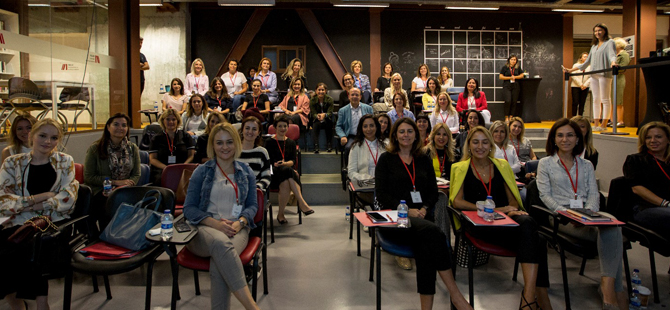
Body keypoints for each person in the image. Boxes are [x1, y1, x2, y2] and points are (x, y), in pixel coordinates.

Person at [450, 126, 553, 310]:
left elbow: (513, 201)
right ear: (469, 145)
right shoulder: (460, 168)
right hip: (478, 224)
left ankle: (528, 295)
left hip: (504, 222)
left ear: (491, 145)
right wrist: (496, 209)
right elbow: (457, 202)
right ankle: (538, 298)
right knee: (538, 239)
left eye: (484, 142)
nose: (480, 146)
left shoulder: (502, 166)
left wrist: (506, 211)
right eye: (475, 142)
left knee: (530, 226)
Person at [375, 118, 472, 310]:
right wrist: (406, 209)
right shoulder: (386, 160)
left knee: (426, 249)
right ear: (395, 135)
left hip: (422, 220)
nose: (406, 135)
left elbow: (432, 192)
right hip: (396, 220)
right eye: (401, 131)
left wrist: (425, 208)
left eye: (410, 131)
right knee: (435, 233)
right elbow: (382, 194)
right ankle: (457, 297)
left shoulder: (423, 159)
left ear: (416, 135)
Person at [536, 118, 625, 310]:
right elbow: (545, 196)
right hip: (560, 216)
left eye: (570, 135)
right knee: (612, 231)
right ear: (553, 139)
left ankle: (608, 288)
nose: (565, 139)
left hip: (587, 215)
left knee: (612, 226)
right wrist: (570, 214)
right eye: (560, 135)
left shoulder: (586, 165)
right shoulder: (545, 163)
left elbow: (594, 194)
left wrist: (587, 215)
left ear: (578, 139)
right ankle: (614, 292)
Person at [0, 118, 79, 310]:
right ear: (32, 135)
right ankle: (17, 304)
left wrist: (25, 206)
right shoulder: (12, 163)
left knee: (30, 246)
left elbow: (67, 200)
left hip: (52, 223)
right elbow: (3, 200)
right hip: (15, 221)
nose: (47, 141)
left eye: (53, 138)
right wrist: (40, 198)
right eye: (43, 136)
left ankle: (41, 304)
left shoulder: (64, 161)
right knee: (5, 246)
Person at [182, 123, 261, 310]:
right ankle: (252, 307)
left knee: (221, 261)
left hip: (236, 228)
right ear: (212, 145)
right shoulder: (202, 171)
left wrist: (241, 222)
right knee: (221, 245)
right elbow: (189, 209)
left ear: (236, 144)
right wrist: (215, 224)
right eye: (219, 143)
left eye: (229, 142)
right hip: (204, 228)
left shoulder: (246, 172)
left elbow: (252, 206)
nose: (224, 147)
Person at [84, 113, 141, 227]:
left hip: (126, 189)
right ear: (108, 127)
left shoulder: (132, 148)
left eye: (124, 125)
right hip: (102, 191)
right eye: (116, 124)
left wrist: (126, 184)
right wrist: (114, 182)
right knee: (108, 203)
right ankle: (105, 238)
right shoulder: (95, 148)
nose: (120, 128)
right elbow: (89, 177)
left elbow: (136, 174)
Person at [565, 23, 617, 132]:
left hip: (604, 74)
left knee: (605, 99)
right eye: (595, 31)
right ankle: (596, 123)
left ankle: (604, 124)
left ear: (605, 31)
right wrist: (571, 70)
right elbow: (586, 63)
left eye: (600, 30)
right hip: (594, 75)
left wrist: (613, 63)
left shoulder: (610, 42)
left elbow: (612, 55)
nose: (597, 33)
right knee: (596, 99)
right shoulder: (594, 46)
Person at [623, 121, 670, 241]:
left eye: (658, 137)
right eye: (648, 137)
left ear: (668, 140)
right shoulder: (635, 160)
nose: (653, 140)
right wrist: (665, 203)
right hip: (646, 209)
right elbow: (637, 188)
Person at [264, 116, 314, 224]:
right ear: (275, 128)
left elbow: (292, 161)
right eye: (280, 126)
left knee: (286, 180)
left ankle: (281, 214)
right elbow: (267, 161)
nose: (283, 128)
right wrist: (276, 164)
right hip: (273, 172)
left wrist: (285, 163)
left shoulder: (291, 142)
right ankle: (301, 203)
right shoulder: (268, 142)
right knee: (289, 172)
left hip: (285, 173)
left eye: (285, 126)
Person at [149, 108, 195, 185]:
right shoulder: (156, 138)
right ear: (163, 121)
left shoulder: (186, 136)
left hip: (182, 169)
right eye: (168, 119)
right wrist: (167, 168)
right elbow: (153, 159)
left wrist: (182, 166)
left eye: (174, 119)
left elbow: (191, 155)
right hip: (162, 169)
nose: (171, 122)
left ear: (178, 121)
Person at [347, 115, 386, 205]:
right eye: (365, 126)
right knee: (379, 200)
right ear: (361, 128)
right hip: (365, 187)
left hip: (384, 186)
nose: (369, 129)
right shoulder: (356, 146)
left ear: (376, 127)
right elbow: (351, 173)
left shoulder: (385, 145)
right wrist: (368, 178)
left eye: (372, 125)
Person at [238, 116, 271, 192]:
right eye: (247, 128)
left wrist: (256, 187)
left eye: (254, 129)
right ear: (242, 130)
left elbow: (266, 177)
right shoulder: (233, 150)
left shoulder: (262, 152)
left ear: (259, 133)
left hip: (254, 192)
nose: (250, 132)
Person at [309, 83, 334, 153]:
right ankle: (316, 145)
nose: (321, 92)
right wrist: (317, 116)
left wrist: (324, 115)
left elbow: (330, 112)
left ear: (325, 91)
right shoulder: (312, 100)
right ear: (316, 91)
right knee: (315, 125)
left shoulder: (330, 99)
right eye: (319, 90)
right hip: (317, 119)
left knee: (329, 124)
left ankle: (329, 145)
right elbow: (313, 112)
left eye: (322, 90)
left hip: (326, 119)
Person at [499, 55, 525, 122]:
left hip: (515, 86)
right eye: (512, 59)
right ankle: (506, 116)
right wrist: (510, 78)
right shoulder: (505, 68)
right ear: (509, 60)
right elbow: (501, 77)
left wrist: (515, 77)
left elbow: (522, 75)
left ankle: (511, 116)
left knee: (514, 101)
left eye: (514, 60)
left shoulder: (518, 68)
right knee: (508, 101)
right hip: (507, 85)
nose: (513, 61)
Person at [612, 37, 630, 127]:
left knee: (618, 100)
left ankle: (620, 121)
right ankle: (612, 120)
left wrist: (614, 67)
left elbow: (623, 67)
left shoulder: (624, 55)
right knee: (612, 100)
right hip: (612, 78)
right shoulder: (615, 55)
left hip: (619, 78)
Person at [570, 52, 591, 117]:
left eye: (587, 57)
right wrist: (580, 84)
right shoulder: (576, 65)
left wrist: (585, 84)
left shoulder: (590, 66)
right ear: (581, 58)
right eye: (584, 57)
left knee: (582, 103)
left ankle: (580, 117)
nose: (586, 58)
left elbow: (591, 77)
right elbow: (573, 75)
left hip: (585, 87)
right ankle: (573, 117)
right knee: (575, 102)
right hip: (576, 86)